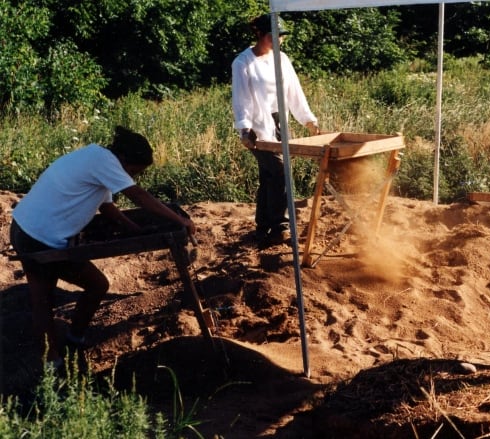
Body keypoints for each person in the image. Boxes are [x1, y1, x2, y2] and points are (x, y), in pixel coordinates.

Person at [10, 126, 196, 369]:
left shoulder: (97, 157)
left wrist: (134, 230)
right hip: (35, 235)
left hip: (29, 225)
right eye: (132, 172)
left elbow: (107, 206)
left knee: (96, 285)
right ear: (124, 159)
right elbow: (138, 196)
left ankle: (74, 340)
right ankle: (52, 363)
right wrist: (180, 220)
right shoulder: (105, 162)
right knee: (44, 298)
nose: (132, 177)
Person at [231, 13, 320, 247]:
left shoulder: (282, 59)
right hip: (258, 127)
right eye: (274, 35)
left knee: (269, 175)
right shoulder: (242, 63)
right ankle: (280, 224)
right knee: (280, 171)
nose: (278, 40)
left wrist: (308, 120)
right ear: (260, 34)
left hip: (280, 123)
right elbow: (241, 100)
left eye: (281, 36)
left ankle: (262, 225)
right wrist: (244, 129)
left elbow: (294, 92)